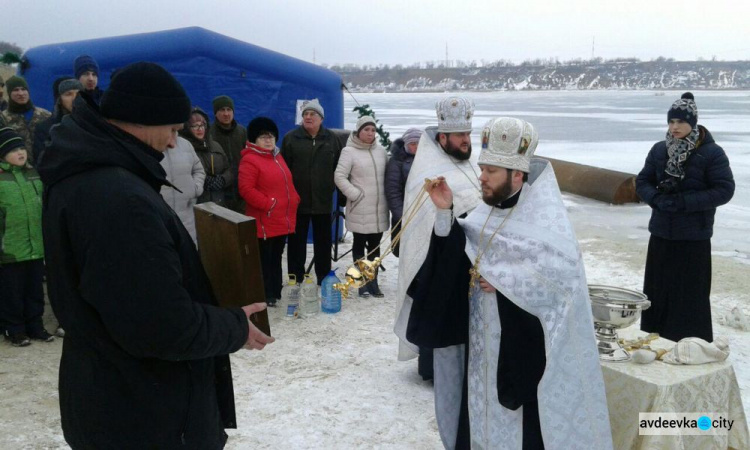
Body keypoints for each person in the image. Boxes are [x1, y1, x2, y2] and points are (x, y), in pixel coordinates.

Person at [37, 62, 274, 449]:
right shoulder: (119, 199)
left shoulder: (90, 174)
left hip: (111, 396)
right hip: (146, 413)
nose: (171, 142)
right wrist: (234, 327)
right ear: (142, 120)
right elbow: (163, 327)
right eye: (173, 130)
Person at [410, 117, 613, 449]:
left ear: (517, 175)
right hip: (478, 353)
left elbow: (561, 288)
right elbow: (457, 257)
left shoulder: (547, 225)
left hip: (519, 360)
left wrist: (505, 285)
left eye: (491, 171)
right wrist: (445, 211)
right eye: (483, 168)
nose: (482, 177)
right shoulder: (483, 214)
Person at [393, 97, 480, 382]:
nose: (466, 141)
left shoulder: (468, 163)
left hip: (463, 252)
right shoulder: (428, 167)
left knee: (456, 314)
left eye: (468, 134)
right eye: (460, 136)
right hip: (435, 256)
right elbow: (424, 216)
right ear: (443, 137)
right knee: (436, 308)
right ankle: (432, 369)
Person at [636, 92, 735, 343]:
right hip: (661, 232)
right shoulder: (660, 150)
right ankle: (654, 338)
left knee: (689, 293)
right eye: (671, 122)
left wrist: (684, 203)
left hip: (693, 235)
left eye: (680, 122)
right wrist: (656, 199)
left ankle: (692, 343)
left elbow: (724, 189)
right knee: (657, 291)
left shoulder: (712, 153)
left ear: (693, 122)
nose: (675, 127)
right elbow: (643, 181)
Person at [0, 128, 53, 346]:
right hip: (10, 248)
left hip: (35, 246)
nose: (20, 152)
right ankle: (14, 328)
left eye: (22, 147)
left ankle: (35, 325)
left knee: (35, 290)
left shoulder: (35, 174)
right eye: (14, 150)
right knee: (12, 291)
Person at [239, 117, 300, 306]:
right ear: (254, 139)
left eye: (271, 136)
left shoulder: (277, 156)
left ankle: (275, 291)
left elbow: (286, 182)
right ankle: (265, 294)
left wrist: (295, 198)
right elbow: (246, 189)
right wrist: (268, 204)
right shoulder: (250, 159)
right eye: (263, 136)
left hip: (281, 219)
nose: (268, 140)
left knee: (276, 257)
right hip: (264, 221)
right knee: (265, 260)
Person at [281, 99, 343, 285]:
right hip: (297, 200)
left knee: (323, 243)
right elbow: (283, 170)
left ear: (321, 118)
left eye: (312, 114)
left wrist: (335, 191)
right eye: (305, 114)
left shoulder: (332, 139)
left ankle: (323, 278)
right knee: (296, 243)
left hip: (323, 200)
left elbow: (339, 168)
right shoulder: (291, 138)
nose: (308, 117)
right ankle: (296, 278)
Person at [334, 115, 389, 297]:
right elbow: (339, 176)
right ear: (358, 131)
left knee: (375, 247)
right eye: (366, 129)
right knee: (359, 245)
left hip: (378, 208)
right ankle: (361, 284)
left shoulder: (381, 151)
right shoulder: (349, 151)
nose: (370, 133)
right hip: (359, 207)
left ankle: (373, 283)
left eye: (373, 130)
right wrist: (354, 194)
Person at [180, 106, 233, 207]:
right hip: (196, 205)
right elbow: (179, 176)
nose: (200, 129)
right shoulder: (183, 148)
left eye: (202, 125)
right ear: (187, 128)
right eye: (195, 126)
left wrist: (223, 180)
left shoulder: (215, 145)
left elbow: (229, 170)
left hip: (219, 203)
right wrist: (203, 181)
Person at [160, 135, 206, 245]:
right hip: (159, 219)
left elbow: (198, 170)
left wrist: (195, 188)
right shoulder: (147, 144)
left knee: (188, 257)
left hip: (187, 219)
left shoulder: (185, 144)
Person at [385, 127, 422, 258]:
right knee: (404, 252)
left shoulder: (427, 161)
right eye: (413, 144)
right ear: (405, 145)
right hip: (404, 216)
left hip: (424, 216)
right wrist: (402, 216)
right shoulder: (396, 161)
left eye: (420, 143)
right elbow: (393, 191)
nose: (417, 147)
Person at [209, 95, 247, 212]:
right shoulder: (209, 133)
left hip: (241, 190)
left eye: (229, 109)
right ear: (215, 113)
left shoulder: (242, 131)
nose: (226, 114)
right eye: (222, 110)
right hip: (219, 191)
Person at [1, 76, 51, 162]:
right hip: (18, 171)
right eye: (16, 90)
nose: (21, 93)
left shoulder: (45, 115)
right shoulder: (3, 118)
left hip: (46, 167)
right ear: (9, 93)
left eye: (23, 89)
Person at [33, 78, 82, 165]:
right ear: (59, 100)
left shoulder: (93, 124)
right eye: (69, 94)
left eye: (78, 93)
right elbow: (42, 162)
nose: (75, 98)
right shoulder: (45, 129)